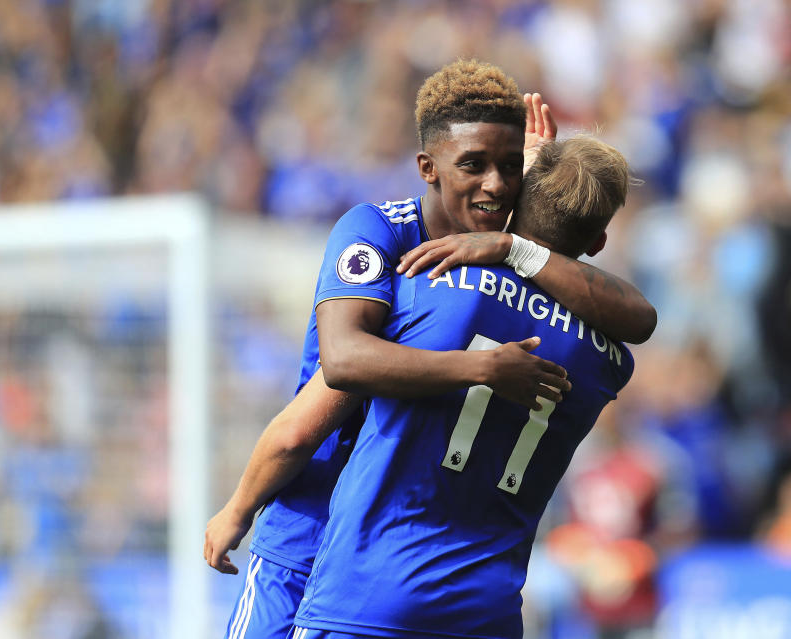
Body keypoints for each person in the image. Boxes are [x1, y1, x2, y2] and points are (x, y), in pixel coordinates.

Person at [207, 59, 655, 639]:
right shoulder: (379, 235)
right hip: (314, 526)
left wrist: (529, 217)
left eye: (510, 167)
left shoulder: (483, 272)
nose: (495, 183)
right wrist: (481, 367)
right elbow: (343, 363)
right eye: (474, 165)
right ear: (428, 168)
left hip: (383, 549)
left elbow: (636, 311)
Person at [289, 134, 636, 639]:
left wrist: (237, 510)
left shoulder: (423, 282)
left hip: (368, 593)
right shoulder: (610, 360)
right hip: (487, 612)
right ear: (598, 243)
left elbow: (299, 428)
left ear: (514, 201)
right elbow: (635, 315)